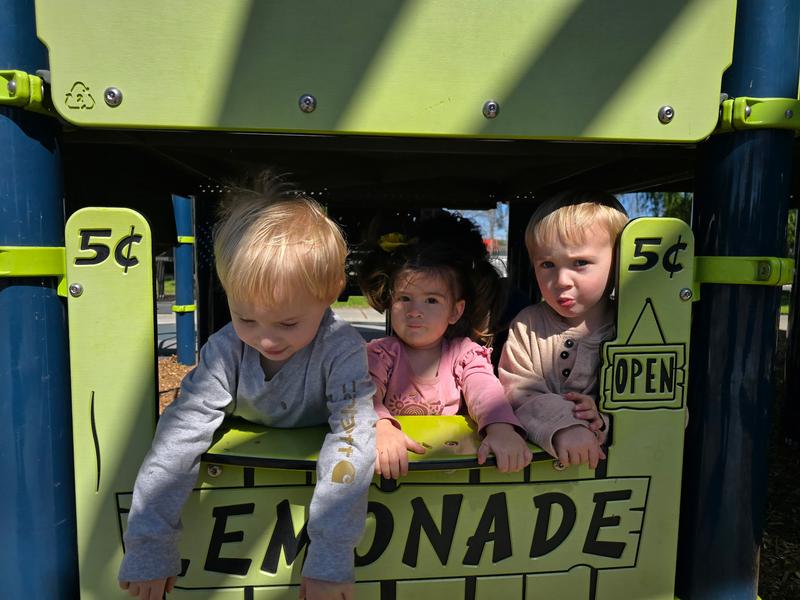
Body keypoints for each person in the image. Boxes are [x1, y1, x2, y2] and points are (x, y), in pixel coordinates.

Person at [118, 173, 376, 600]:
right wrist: (150, 544)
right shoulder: (226, 349)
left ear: (331, 293)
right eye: (247, 319)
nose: (268, 340)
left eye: (289, 323)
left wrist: (330, 557)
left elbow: (352, 442)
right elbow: (179, 437)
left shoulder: (341, 349)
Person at [358, 211, 532, 479]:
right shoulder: (380, 354)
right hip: (394, 463)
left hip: (447, 469)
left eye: (431, 301)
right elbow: (363, 393)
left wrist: (500, 428)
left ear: (455, 311)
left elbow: (485, 390)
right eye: (405, 298)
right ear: (390, 303)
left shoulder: (465, 354)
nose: (415, 311)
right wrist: (379, 426)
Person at [499, 191, 629, 470]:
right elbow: (517, 393)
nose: (561, 280)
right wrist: (565, 426)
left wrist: (602, 418)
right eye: (547, 265)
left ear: (620, 262)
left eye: (580, 263)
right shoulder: (528, 325)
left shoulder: (634, 327)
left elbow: (660, 406)